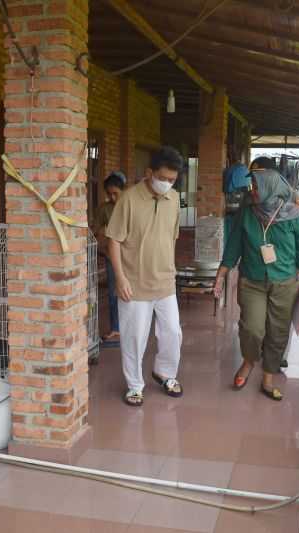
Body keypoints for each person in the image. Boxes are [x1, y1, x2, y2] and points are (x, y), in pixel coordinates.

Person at [213, 167, 299, 401]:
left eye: (257, 187)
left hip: (285, 282)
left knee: (278, 332)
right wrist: (220, 275)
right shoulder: (247, 212)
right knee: (252, 329)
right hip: (252, 281)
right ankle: (248, 362)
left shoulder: (295, 214)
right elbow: (234, 245)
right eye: (253, 186)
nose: (253, 190)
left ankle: (268, 377)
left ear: (271, 188)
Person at [106, 146, 184, 406]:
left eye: (172, 180)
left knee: (173, 332)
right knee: (134, 337)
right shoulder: (128, 199)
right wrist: (120, 278)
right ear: (149, 173)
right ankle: (135, 385)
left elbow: (171, 238)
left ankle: (165, 372)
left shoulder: (174, 200)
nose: (167, 184)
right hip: (134, 283)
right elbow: (114, 241)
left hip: (164, 281)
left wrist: (171, 270)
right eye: (163, 178)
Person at [93, 171, 126, 344]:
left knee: (132, 292)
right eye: (109, 194)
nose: (113, 197)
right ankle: (115, 329)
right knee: (114, 292)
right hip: (112, 256)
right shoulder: (104, 209)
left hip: (132, 255)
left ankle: (131, 326)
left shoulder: (131, 205)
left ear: (123, 191)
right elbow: (95, 231)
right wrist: (103, 247)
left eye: (116, 193)